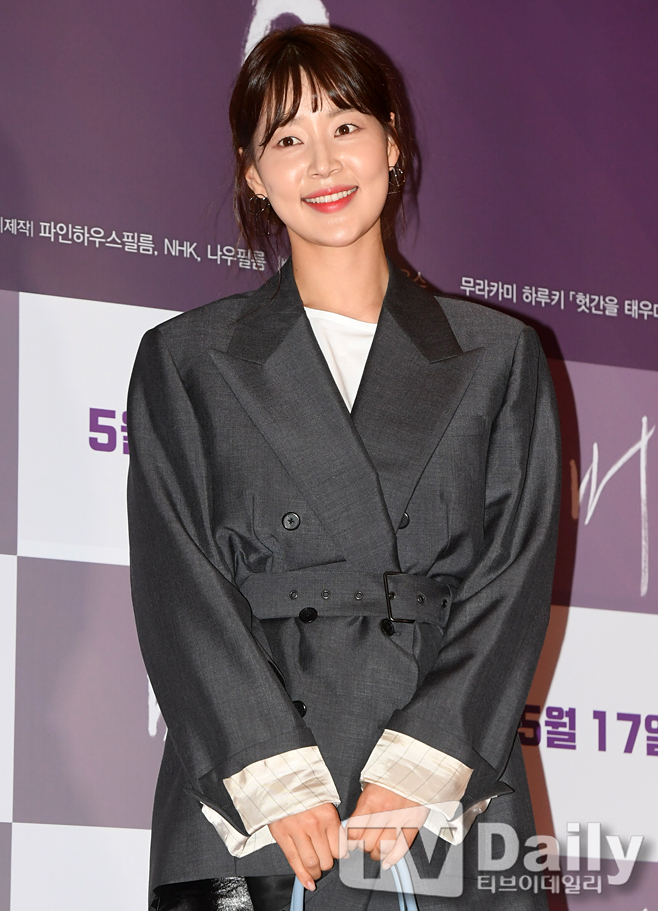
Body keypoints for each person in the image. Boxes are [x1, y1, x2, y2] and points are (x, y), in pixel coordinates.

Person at [127, 24, 561, 911]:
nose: (322, 162)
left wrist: (422, 765)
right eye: (287, 138)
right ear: (254, 172)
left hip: (443, 788)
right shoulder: (187, 359)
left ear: (393, 142)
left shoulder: (497, 355)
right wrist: (271, 774)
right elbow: (177, 585)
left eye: (346, 126)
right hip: (255, 800)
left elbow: (514, 575)